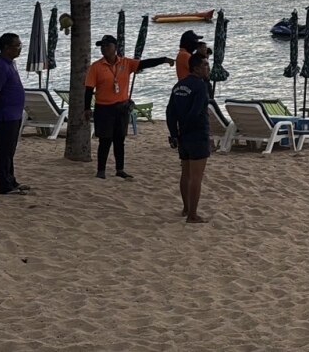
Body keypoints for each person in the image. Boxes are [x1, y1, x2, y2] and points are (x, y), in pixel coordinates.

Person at [84, 34, 174, 179]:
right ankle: (101, 171)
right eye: (102, 46)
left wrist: (163, 60)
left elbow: (144, 63)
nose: (104, 48)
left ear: (115, 47)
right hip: (104, 109)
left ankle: (120, 169)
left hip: (121, 108)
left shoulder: (126, 63)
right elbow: (88, 89)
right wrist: (87, 108)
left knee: (120, 140)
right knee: (105, 140)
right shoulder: (96, 67)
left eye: (107, 45)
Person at [167, 53, 213, 223]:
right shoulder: (200, 86)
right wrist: (185, 129)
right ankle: (192, 214)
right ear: (196, 68)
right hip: (197, 134)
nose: (208, 68)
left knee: (185, 173)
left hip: (183, 135)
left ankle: (186, 208)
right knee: (196, 176)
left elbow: (170, 112)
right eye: (205, 65)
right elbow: (196, 111)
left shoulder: (178, 85)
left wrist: (174, 133)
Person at [0, 33, 29, 196]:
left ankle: (11, 179)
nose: (19, 49)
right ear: (6, 47)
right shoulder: (0, 67)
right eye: (16, 46)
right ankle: (4, 185)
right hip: (4, 115)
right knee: (4, 151)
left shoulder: (11, 64)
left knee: (10, 151)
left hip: (14, 114)